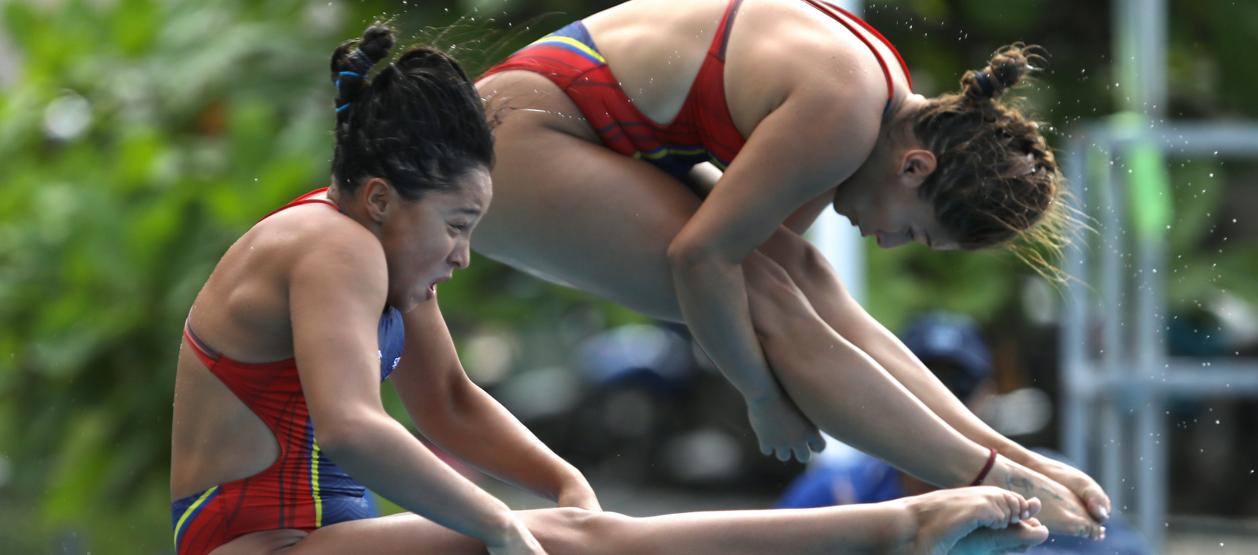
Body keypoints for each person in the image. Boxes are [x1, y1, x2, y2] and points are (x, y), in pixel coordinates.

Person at [169, 24, 1052, 555]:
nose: (465, 256)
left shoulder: (378, 247)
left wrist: (558, 478)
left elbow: (444, 398)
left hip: (316, 528)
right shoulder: (335, 247)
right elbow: (357, 428)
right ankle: (897, 527)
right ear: (380, 196)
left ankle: (959, 489)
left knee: (582, 526)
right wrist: (503, 520)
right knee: (583, 542)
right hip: (261, 541)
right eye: (459, 227)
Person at [472, 0, 1112, 540]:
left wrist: (1020, 456)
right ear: (915, 167)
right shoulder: (841, 111)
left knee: (800, 276)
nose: (889, 243)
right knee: (767, 296)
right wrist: (759, 395)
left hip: (580, 121)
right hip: (522, 134)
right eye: (912, 230)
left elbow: (804, 292)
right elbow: (704, 263)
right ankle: (984, 477)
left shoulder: (877, 87)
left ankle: (1009, 462)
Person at [777, 313, 1154, 554]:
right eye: (923, 386)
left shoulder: (1042, 491)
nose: (940, 407)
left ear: (987, 392)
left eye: (957, 387)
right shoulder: (839, 489)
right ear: (885, 390)